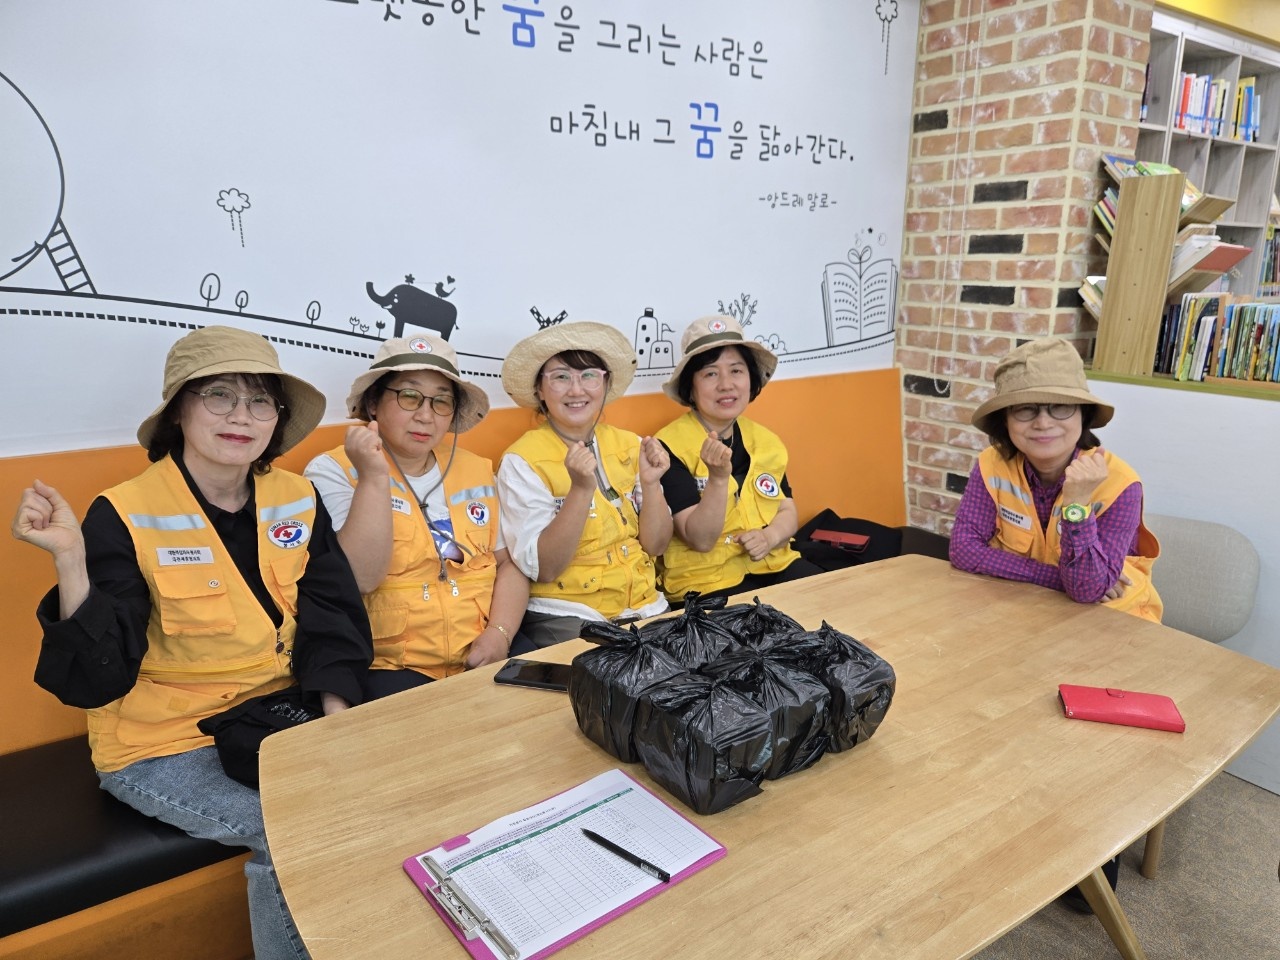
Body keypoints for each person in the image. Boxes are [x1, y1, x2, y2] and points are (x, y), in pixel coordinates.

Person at [11, 326, 372, 960]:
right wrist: (71, 561)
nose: (241, 416)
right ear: (179, 410)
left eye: (260, 401)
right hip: (163, 744)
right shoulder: (123, 513)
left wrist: (334, 724)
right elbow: (95, 680)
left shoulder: (296, 496)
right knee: (290, 830)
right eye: (219, 395)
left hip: (275, 716)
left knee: (381, 789)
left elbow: (333, 615)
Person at [305, 335, 529, 698]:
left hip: (485, 649)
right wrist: (373, 476)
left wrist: (499, 634)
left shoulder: (476, 470)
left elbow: (509, 565)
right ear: (373, 403)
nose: (425, 415)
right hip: (391, 666)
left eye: (441, 401)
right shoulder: (334, 470)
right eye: (409, 396)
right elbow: (360, 577)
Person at [949, 337, 1162, 622]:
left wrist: (1077, 504)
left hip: (1117, 622)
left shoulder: (1121, 484)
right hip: (1031, 610)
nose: (1043, 423)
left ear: (1083, 415)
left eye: (1060, 406)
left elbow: (1087, 590)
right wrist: (1056, 577)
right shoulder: (991, 465)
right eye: (1025, 408)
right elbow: (963, 551)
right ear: (1005, 420)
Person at [496, 321, 672, 647]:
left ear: (605, 384)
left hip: (647, 607)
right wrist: (579, 491)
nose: (576, 390)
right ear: (539, 390)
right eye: (561, 377)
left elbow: (656, 546)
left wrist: (651, 485)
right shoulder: (521, 460)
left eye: (589, 375)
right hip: (568, 614)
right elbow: (545, 568)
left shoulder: (632, 444)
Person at [655, 315, 823, 602]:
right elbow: (699, 539)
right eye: (710, 374)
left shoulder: (766, 440)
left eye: (736, 371)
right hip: (706, 582)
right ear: (690, 387)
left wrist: (770, 537)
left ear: (750, 379)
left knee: (833, 598)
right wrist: (718, 480)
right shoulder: (669, 446)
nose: (726, 384)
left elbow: (786, 510)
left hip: (773, 564)